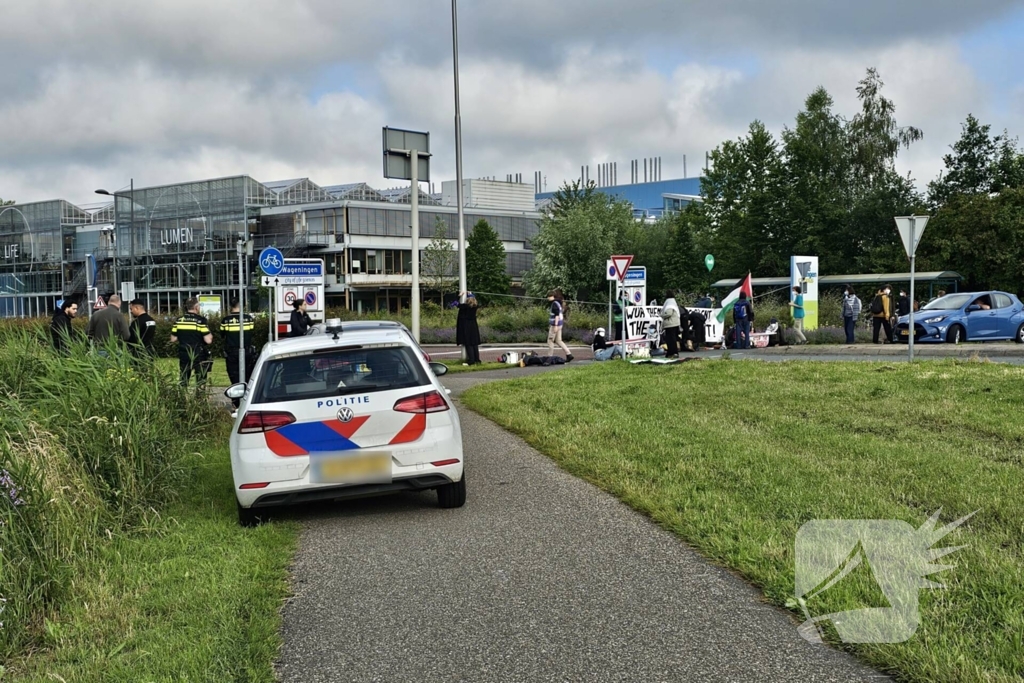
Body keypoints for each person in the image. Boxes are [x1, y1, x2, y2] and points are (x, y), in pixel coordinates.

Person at [220, 298, 255, 408]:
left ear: (230, 306)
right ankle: (247, 402)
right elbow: (251, 332)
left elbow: (222, 335)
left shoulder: (225, 320)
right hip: (247, 351)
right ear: (242, 306)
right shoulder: (248, 319)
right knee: (248, 377)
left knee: (234, 378)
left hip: (231, 353)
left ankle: (236, 404)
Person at [171, 297, 214, 387]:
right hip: (198, 353)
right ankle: (200, 398)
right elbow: (208, 340)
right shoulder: (200, 321)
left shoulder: (179, 320)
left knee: (184, 378)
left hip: (184, 352)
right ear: (196, 307)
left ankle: (182, 398)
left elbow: (173, 339)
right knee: (201, 379)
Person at [546, 290, 573, 362]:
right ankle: (569, 354)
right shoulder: (558, 303)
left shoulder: (554, 304)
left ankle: (549, 358)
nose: (548, 298)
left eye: (549, 296)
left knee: (550, 341)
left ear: (552, 296)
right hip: (560, 325)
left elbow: (556, 315)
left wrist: (555, 326)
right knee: (558, 340)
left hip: (555, 325)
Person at [456, 292, 481, 365]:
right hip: (473, 326)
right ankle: (477, 359)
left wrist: (459, 296)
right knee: (474, 343)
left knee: (468, 343)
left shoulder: (465, 306)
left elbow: (455, 304)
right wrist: (470, 293)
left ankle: (471, 360)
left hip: (466, 326)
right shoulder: (476, 306)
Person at [660, 290, 681, 358]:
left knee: (670, 339)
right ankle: (672, 352)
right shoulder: (673, 301)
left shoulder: (669, 302)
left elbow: (668, 313)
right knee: (672, 338)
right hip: (674, 323)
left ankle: (673, 352)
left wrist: (662, 315)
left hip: (670, 324)